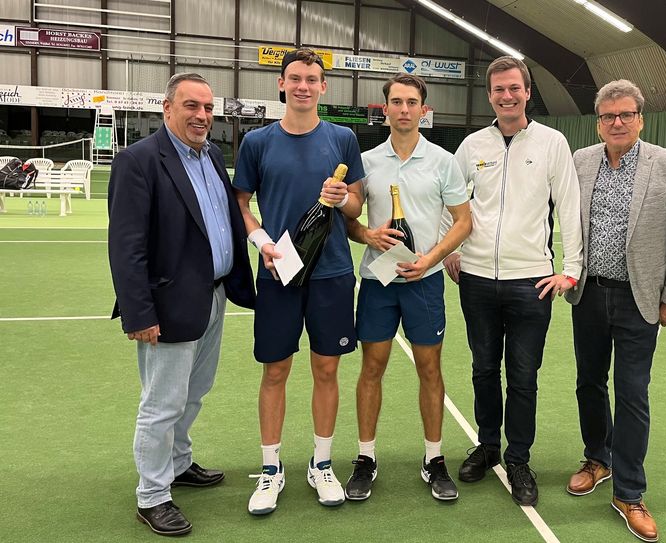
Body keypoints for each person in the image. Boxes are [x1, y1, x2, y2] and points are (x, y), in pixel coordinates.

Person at [107, 72, 255, 536]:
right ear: (167, 108)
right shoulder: (138, 161)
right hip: (167, 304)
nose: (202, 116)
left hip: (213, 295)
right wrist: (139, 313)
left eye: (209, 108)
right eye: (192, 106)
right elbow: (126, 246)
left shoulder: (211, 154)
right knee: (162, 403)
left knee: (194, 392)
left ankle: (178, 463)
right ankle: (152, 496)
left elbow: (223, 218)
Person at [443, 56, 583, 506]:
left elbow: (570, 205)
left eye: (515, 88)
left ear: (527, 92)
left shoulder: (552, 143)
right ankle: (487, 447)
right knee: (483, 369)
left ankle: (518, 459)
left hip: (533, 283)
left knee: (523, 377)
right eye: (499, 89)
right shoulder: (472, 145)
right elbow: (450, 199)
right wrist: (452, 249)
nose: (507, 96)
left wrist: (571, 269)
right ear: (490, 96)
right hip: (477, 280)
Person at [232, 48, 365, 514]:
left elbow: (356, 208)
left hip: (331, 273)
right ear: (282, 85)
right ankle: (270, 470)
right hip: (279, 271)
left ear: (323, 87)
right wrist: (261, 242)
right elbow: (243, 204)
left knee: (327, 369)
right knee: (276, 370)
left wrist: (342, 196)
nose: (304, 86)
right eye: (296, 78)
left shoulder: (343, 138)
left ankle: (322, 463)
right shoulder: (258, 142)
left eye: (313, 78)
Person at [564, 79, 666, 543]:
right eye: (608, 116)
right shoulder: (580, 162)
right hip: (587, 294)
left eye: (625, 115)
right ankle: (597, 459)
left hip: (640, 298)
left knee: (632, 393)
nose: (616, 123)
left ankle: (629, 492)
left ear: (641, 118)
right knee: (588, 382)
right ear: (598, 121)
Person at [343, 73, 471, 502]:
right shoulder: (366, 161)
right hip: (378, 280)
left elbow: (464, 221)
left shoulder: (443, 160)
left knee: (429, 369)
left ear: (423, 110)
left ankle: (434, 459)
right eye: (395, 102)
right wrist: (367, 235)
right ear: (386, 109)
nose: (403, 109)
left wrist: (430, 259)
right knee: (371, 368)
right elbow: (350, 221)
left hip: (425, 282)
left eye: (411, 102)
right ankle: (365, 458)